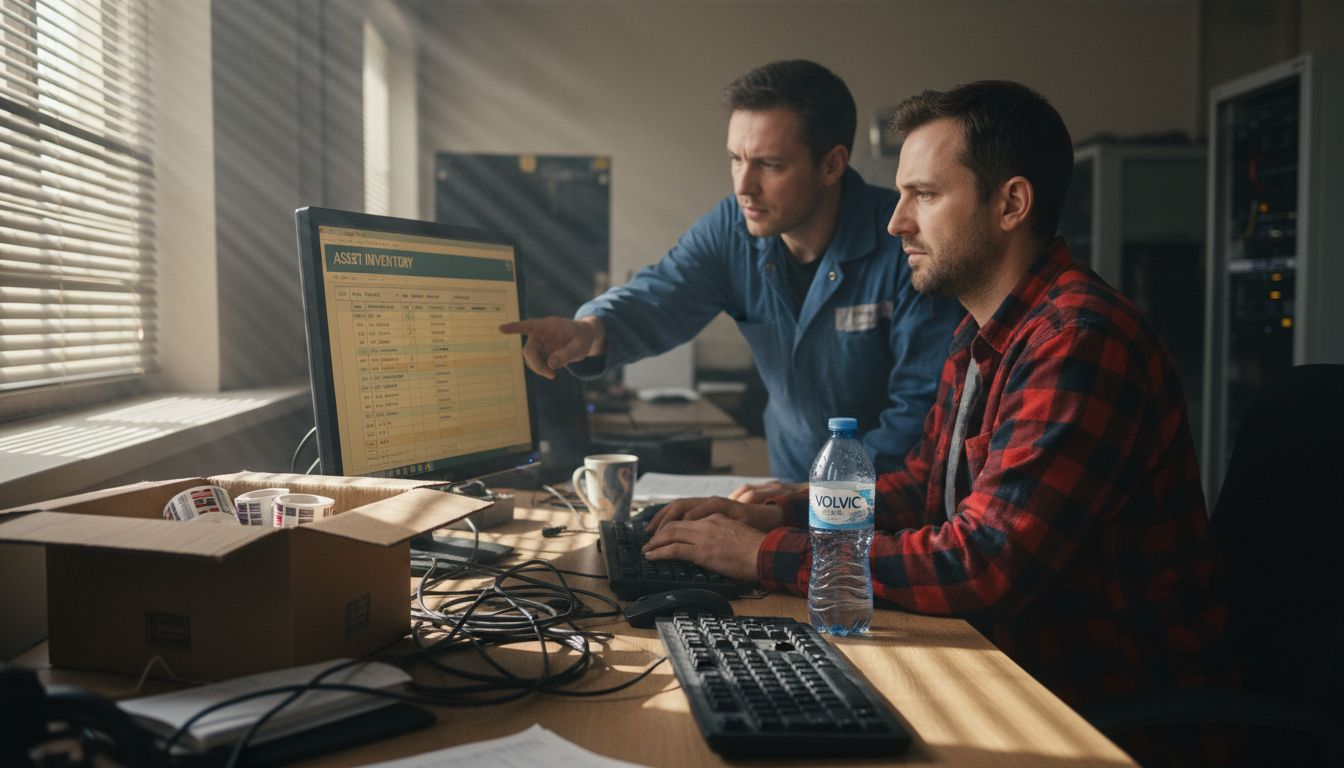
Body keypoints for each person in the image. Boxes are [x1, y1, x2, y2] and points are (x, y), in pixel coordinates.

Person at [643, 80, 1236, 760]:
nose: (896, 222)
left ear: (1011, 204)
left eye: (923, 195)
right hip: (1008, 675)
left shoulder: (1079, 341)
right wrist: (778, 512)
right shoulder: (983, 331)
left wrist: (758, 555)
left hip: (1098, 715)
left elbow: (980, 564)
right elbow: (925, 488)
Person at [499, 60, 962, 490]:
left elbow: (918, 412)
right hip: (788, 492)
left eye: (769, 165)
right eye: (736, 159)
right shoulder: (732, 231)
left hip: (892, 507)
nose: (743, 185)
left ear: (831, 165)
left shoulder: (907, 244)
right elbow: (661, 294)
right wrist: (589, 329)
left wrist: (824, 500)